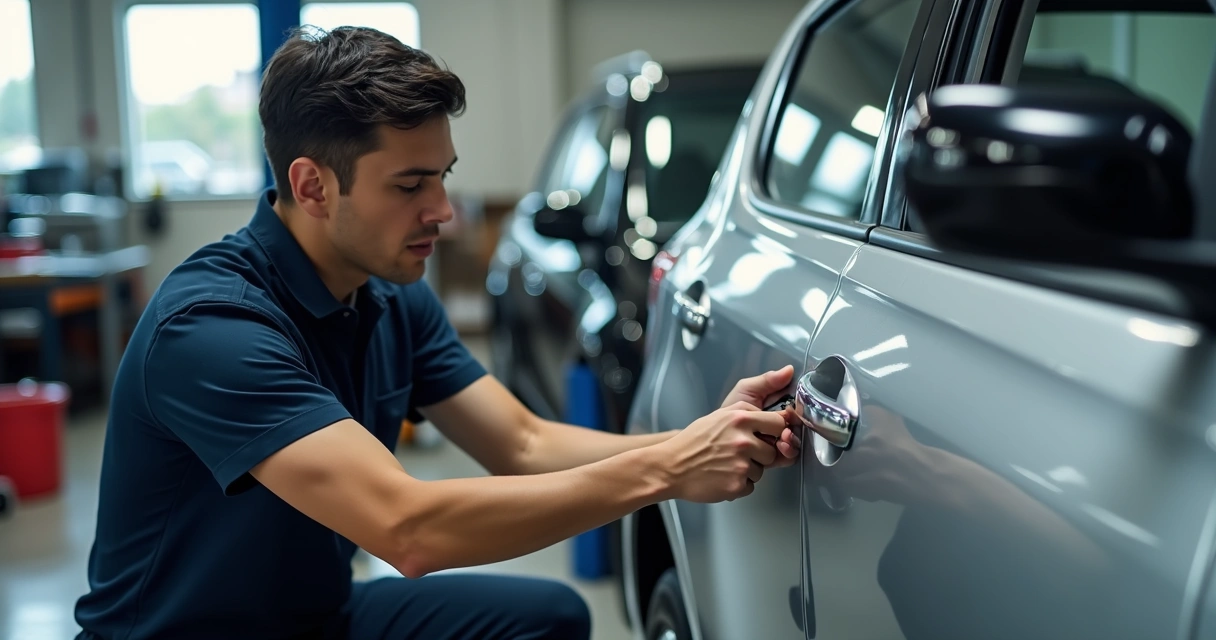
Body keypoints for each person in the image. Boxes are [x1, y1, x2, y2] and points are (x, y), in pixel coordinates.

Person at [74, 26, 801, 640]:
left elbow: (522, 443)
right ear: (312, 187)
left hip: (312, 616)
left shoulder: (386, 292)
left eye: (443, 177)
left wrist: (705, 436)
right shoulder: (211, 325)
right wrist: (671, 469)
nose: (444, 211)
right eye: (409, 184)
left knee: (549, 617)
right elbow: (408, 529)